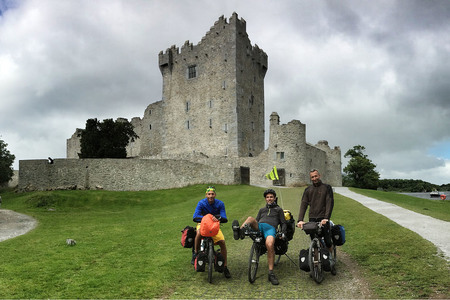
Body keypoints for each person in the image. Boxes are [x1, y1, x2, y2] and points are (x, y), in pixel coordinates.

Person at [232, 189, 286, 285]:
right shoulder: (262, 210)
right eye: (267, 197)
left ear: (274, 198)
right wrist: (253, 226)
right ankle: (239, 232)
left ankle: (271, 273)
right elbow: (256, 220)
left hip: (270, 228)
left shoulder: (279, 210)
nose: (269, 199)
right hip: (260, 226)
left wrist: (283, 233)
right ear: (265, 199)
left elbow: (283, 223)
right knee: (250, 218)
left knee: (269, 245)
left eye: (271, 197)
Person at [192, 186, 231, 278]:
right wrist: (208, 218)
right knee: (198, 233)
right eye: (209, 194)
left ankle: (225, 266)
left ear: (215, 195)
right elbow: (195, 216)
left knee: (222, 242)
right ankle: (196, 253)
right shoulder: (201, 203)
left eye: (212, 194)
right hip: (202, 224)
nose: (211, 196)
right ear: (206, 195)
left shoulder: (220, 203)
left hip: (214, 225)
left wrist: (217, 218)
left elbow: (224, 217)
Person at [297, 169, 334, 254]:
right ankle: (316, 262)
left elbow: (329, 202)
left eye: (316, 176)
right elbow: (304, 204)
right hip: (312, 218)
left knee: (328, 241)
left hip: (323, 218)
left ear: (319, 176)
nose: (314, 178)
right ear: (310, 178)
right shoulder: (308, 189)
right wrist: (300, 220)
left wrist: (326, 218)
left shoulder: (327, 187)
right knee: (314, 240)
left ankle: (330, 259)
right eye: (312, 177)